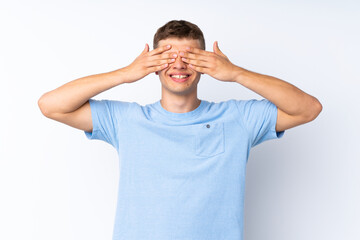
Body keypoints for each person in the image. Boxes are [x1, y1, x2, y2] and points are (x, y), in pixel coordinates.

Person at [38, 20, 322, 240]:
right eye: (167, 56)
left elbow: (308, 108)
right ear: (153, 64)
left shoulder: (237, 118)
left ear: (205, 62)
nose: (179, 64)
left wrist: (236, 73)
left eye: (189, 56)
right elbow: (51, 105)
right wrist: (126, 74)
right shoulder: (127, 120)